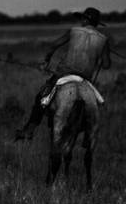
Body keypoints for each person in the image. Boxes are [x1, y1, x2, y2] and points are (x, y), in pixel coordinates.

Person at [14, 7, 111, 140]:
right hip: (85, 79)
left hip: (64, 73)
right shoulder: (103, 39)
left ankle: (29, 130)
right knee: (95, 108)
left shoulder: (73, 31)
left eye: (82, 19)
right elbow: (106, 65)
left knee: (41, 98)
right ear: (96, 23)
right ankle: (88, 137)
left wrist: (46, 62)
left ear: (84, 19)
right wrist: (104, 51)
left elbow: (53, 45)